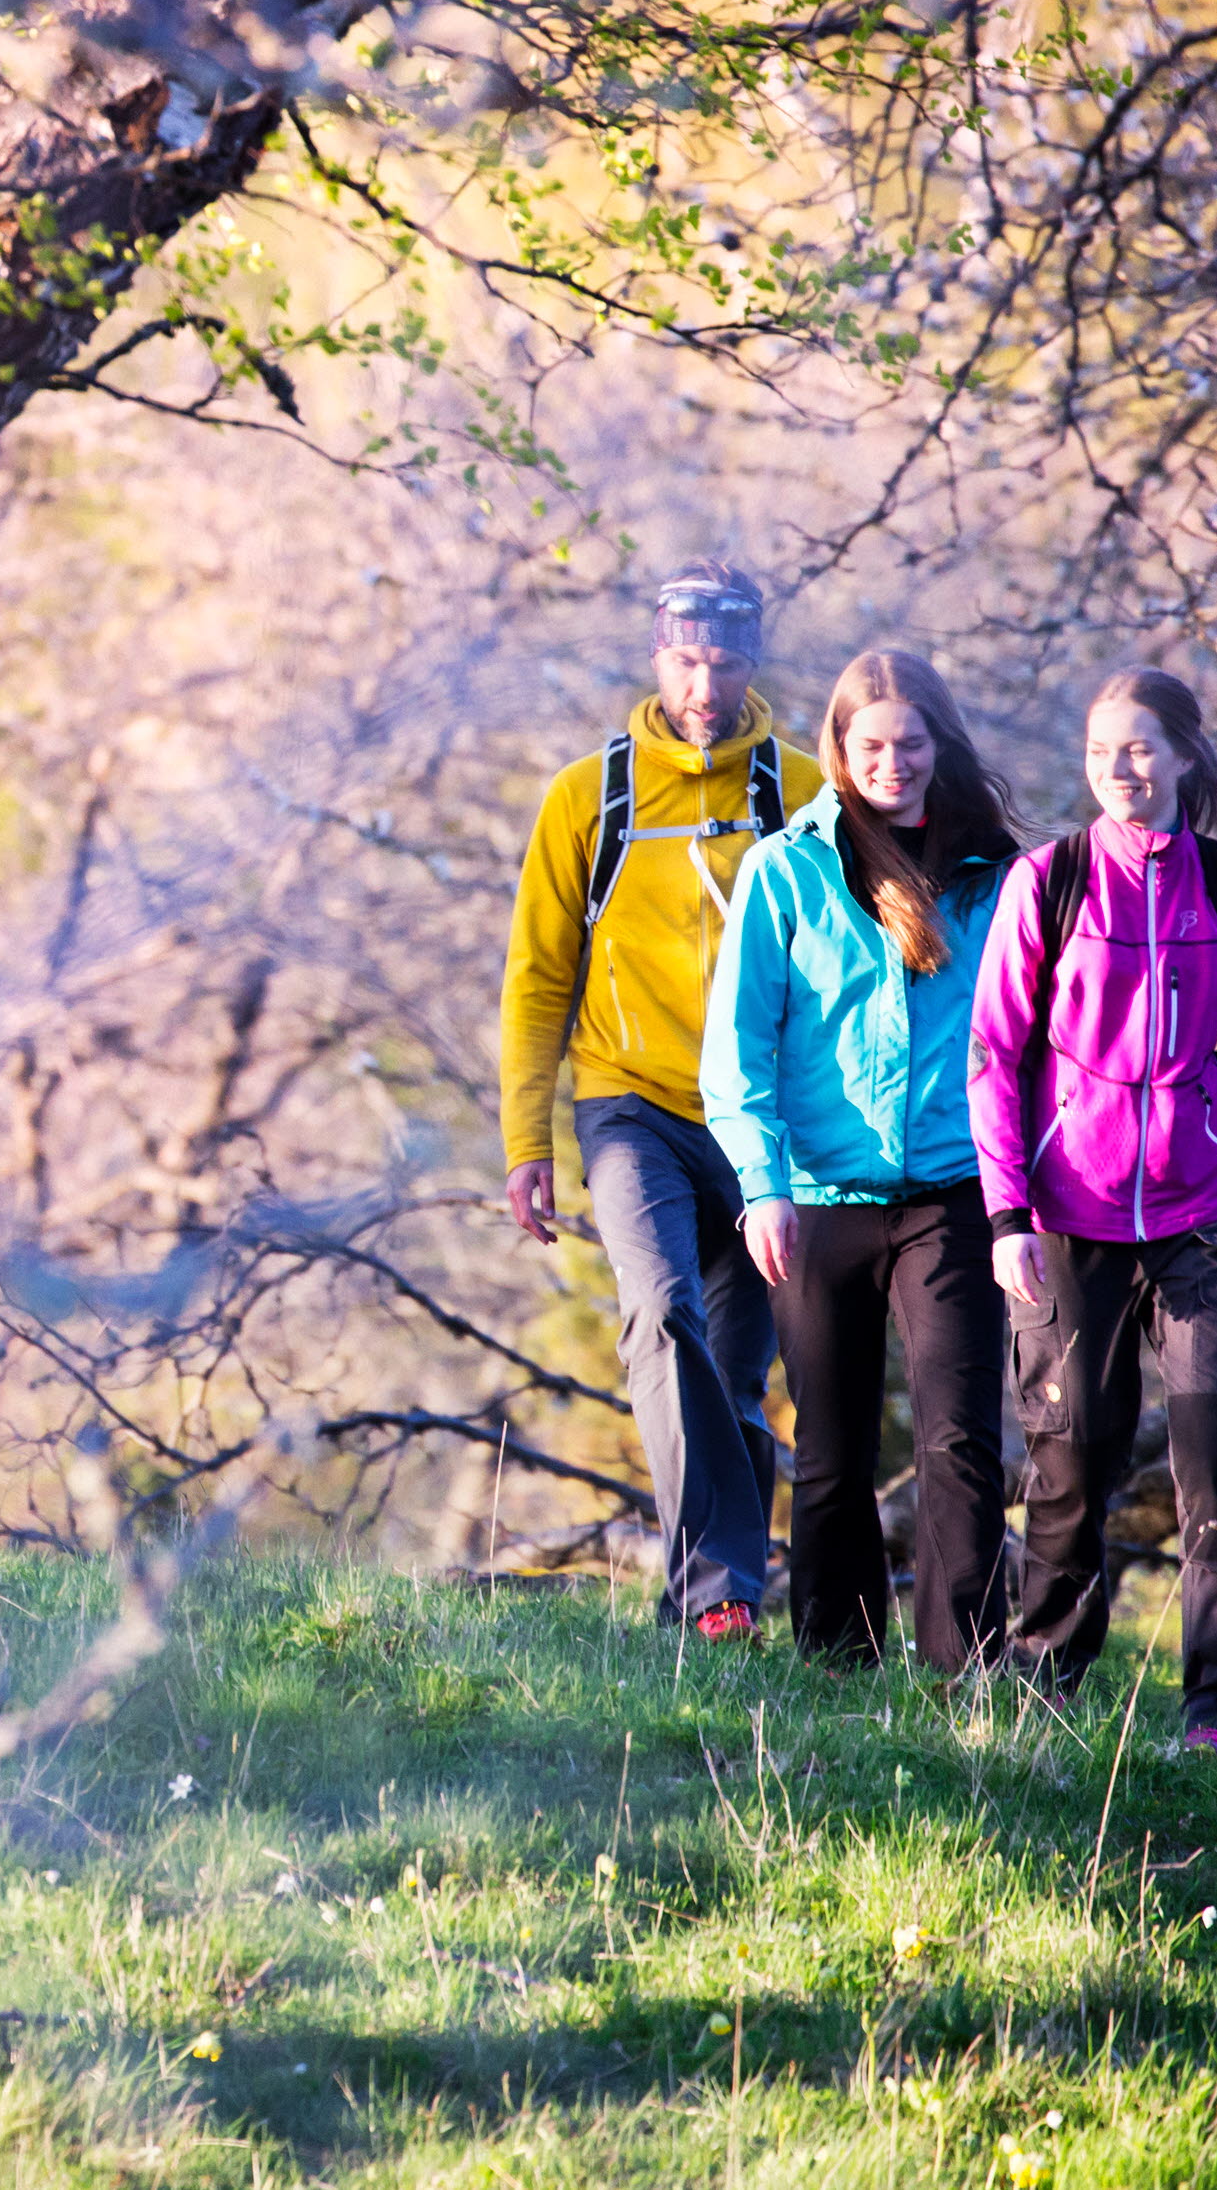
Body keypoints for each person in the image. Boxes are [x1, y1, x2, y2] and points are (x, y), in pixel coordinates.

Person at [967, 667, 1217, 1754]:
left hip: (1202, 1210)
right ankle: (1043, 1682)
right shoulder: (1047, 879)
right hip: (1066, 1213)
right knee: (1070, 1456)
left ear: (1183, 754)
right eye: (1099, 751)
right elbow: (993, 1056)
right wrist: (1006, 1216)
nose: (1117, 769)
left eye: (1137, 748)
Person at [501, 560, 822, 1640]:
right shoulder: (587, 796)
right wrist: (525, 1141)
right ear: (655, 654)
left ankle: (710, 1602)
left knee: (734, 1371)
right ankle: (719, 1591)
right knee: (660, 1311)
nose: (703, 685)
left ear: (752, 660)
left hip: (762, 1119)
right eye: (684, 660)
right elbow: (537, 978)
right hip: (628, 1106)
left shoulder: (803, 793)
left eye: (724, 662)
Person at [701, 652, 1024, 1669]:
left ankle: (962, 1668)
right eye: (869, 743)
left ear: (940, 744)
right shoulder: (783, 870)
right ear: (838, 748)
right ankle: (836, 1663)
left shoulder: (995, 874)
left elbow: (1027, 1036)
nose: (891, 761)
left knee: (958, 1439)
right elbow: (737, 1051)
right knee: (830, 1447)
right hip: (815, 1196)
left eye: (910, 742)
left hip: (953, 1193)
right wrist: (761, 1187)